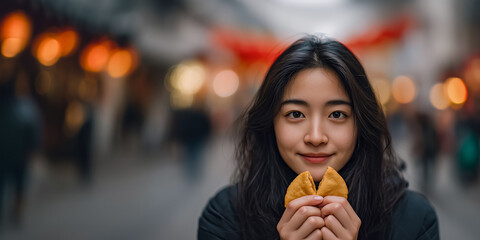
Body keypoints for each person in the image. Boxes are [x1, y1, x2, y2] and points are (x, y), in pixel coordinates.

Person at [197, 35, 439, 240]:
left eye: (337, 114)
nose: (315, 137)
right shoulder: (225, 217)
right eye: (295, 114)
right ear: (270, 123)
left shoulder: (415, 221)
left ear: (361, 124)